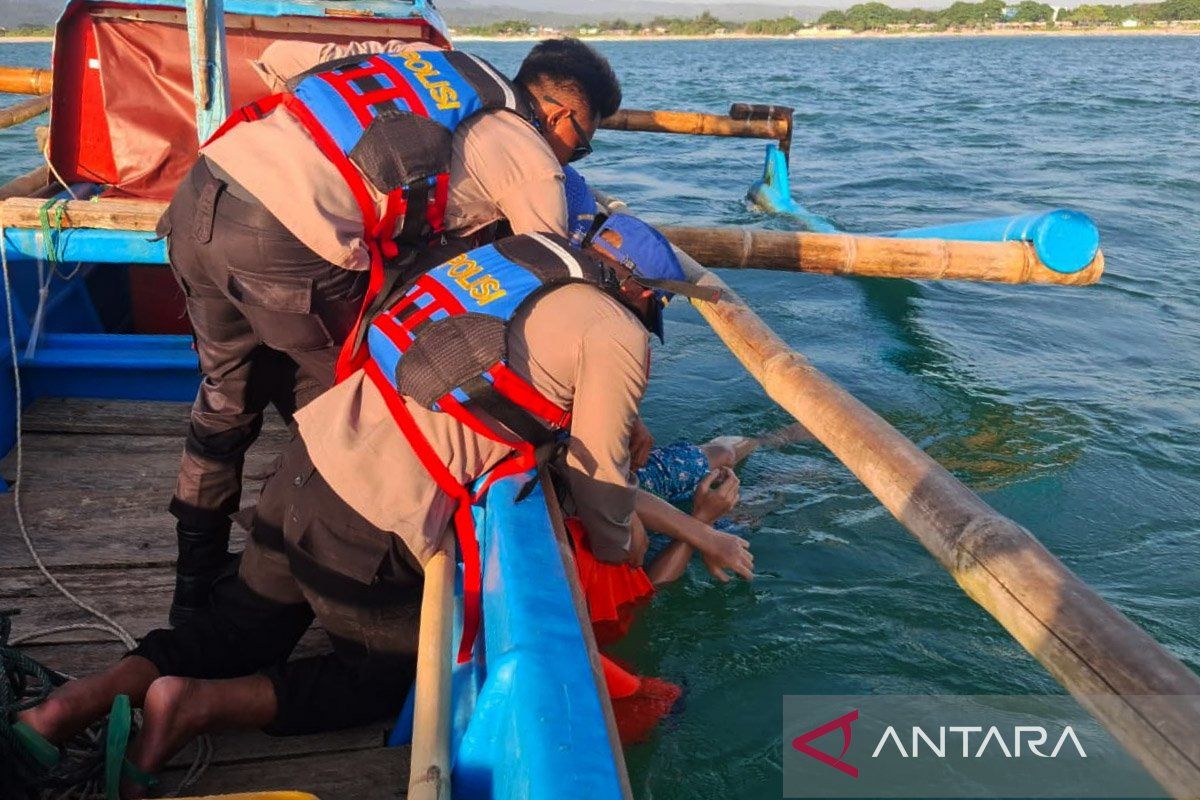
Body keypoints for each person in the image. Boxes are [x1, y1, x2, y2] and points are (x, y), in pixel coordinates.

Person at [16, 215, 706, 795]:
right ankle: (196, 705)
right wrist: (620, 549)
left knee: (237, 626)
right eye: (659, 304)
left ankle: (74, 702)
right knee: (382, 677)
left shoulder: (516, 256)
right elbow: (600, 477)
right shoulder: (614, 329)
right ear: (643, 292)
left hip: (313, 456)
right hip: (374, 513)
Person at [160, 37, 623, 625]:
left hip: (204, 193)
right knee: (361, 399)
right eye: (580, 146)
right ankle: (276, 575)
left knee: (225, 401)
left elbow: (280, 57)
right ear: (559, 116)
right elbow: (544, 277)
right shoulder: (530, 156)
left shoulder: (425, 63)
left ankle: (192, 588)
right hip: (280, 242)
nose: (572, 161)